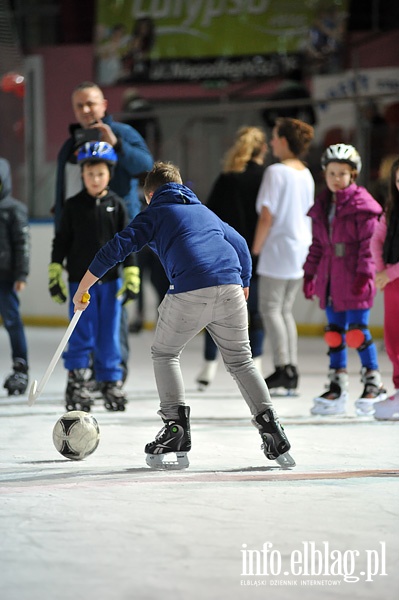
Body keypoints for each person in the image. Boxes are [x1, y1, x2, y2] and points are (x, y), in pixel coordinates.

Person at [72, 161, 295, 470]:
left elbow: (117, 247)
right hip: (230, 287)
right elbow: (241, 244)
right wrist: (242, 282)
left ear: (150, 195)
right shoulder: (204, 211)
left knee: (164, 353)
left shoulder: (154, 213)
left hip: (191, 288)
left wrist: (84, 286)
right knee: (241, 361)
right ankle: (272, 431)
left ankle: (175, 428)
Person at [54, 81, 153, 381]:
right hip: (80, 234)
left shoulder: (122, 133)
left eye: (91, 103)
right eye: (79, 105)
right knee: (84, 302)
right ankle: (91, 370)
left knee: (113, 305)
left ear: (104, 104)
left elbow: (148, 168)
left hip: (116, 232)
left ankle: (114, 371)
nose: (86, 110)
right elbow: (63, 189)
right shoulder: (72, 144)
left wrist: (118, 145)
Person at [49, 142, 139, 412]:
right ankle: (77, 380)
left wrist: (131, 271)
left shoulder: (118, 205)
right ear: (82, 175)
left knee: (109, 333)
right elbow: (61, 241)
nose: (95, 179)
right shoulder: (73, 206)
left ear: (109, 175)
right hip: (80, 282)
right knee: (81, 333)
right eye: (90, 174)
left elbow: (130, 241)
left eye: (100, 174)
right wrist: (55, 269)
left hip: (111, 283)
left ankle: (110, 381)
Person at [303, 144, 387, 416]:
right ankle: (337, 385)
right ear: (324, 174)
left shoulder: (363, 206)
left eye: (342, 173)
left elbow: (369, 243)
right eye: (331, 173)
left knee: (356, 332)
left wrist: (365, 272)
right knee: (334, 334)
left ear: (353, 175)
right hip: (330, 278)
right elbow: (317, 244)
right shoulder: (322, 206)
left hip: (354, 277)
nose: (336, 178)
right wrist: (309, 273)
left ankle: (373, 382)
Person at [195, 126, 267, 390]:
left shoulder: (226, 177)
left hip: (226, 254)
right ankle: (256, 365)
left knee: (216, 312)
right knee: (255, 312)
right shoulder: (266, 177)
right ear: (264, 149)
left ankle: (208, 366)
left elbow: (209, 216)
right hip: (258, 252)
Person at [252, 117, 315, 396]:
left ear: (285, 141)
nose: (271, 142)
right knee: (284, 310)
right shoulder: (306, 173)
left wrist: (254, 250)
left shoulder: (276, 172)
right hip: (301, 247)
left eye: (275, 137)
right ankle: (290, 367)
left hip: (278, 248)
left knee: (271, 309)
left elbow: (267, 214)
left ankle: (283, 367)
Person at [370, 157, 399, 420]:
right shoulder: (391, 209)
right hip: (392, 283)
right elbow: (377, 239)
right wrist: (381, 271)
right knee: (392, 339)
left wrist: (388, 273)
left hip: (394, 277)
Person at [0, 157, 30, 396]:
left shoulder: (13, 210)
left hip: (6, 278)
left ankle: (20, 365)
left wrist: (21, 274)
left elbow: (22, 244)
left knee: (12, 320)